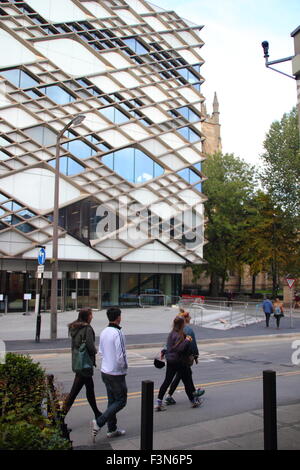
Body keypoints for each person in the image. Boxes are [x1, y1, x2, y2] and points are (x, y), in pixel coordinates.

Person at [91, 307, 128, 442]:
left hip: (105, 371)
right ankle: (100, 422)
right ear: (118, 317)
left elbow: (100, 351)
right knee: (121, 401)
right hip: (116, 372)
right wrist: (124, 368)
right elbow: (121, 355)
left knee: (112, 401)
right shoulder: (118, 333)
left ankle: (112, 429)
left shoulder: (104, 331)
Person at [156, 316, 202, 411]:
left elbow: (168, 347)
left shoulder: (171, 334)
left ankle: (159, 402)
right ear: (182, 324)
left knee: (167, 381)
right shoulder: (180, 335)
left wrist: (163, 352)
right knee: (187, 382)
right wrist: (187, 341)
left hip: (170, 361)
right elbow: (179, 349)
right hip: (180, 362)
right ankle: (193, 401)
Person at [62, 308, 101, 421]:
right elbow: (90, 345)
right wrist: (95, 351)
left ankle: (96, 412)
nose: (92, 317)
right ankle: (60, 418)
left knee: (90, 389)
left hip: (78, 361)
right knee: (75, 392)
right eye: (91, 315)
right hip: (85, 364)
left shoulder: (75, 327)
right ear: (87, 316)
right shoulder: (87, 329)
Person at [165, 310, 205, 405]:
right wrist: (195, 356)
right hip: (184, 359)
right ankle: (193, 398)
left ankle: (169, 396)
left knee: (181, 376)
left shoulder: (174, 329)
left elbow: (169, 343)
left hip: (174, 358)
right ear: (185, 319)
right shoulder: (188, 330)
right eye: (189, 317)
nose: (190, 318)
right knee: (186, 378)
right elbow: (193, 345)